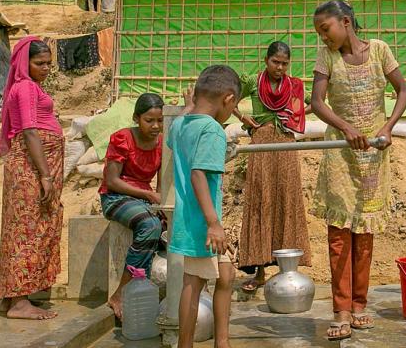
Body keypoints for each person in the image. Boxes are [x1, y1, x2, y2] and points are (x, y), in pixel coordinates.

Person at [311, 0, 406, 340]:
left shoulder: (380, 51)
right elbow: (317, 102)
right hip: (340, 152)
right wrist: (346, 129)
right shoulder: (328, 57)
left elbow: (403, 91)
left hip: (373, 155)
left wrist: (388, 128)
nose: (323, 37)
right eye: (319, 33)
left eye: (326, 30)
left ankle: (359, 304)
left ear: (346, 22)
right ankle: (340, 309)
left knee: (364, 233)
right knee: (339, 233)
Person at [168, 65, 241, 348]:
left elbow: (176, 137)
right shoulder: (212, 130)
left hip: (195, 219)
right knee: (193, 283)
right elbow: (199, 174)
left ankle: (222, 342)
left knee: (226, 274)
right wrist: (213, 223)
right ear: (228, 99)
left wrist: (188, 108)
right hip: (203, 222)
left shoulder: (181, 124)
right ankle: (185, 344)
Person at [235, 41, 312, 292]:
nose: (280, 68)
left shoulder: (294, 85)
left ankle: (287, 273)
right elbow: (228, 96)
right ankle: (259, 273)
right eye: (275, 62)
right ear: (266, 60)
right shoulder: (253, 81)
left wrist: (296, 115)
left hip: (286, 145)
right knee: (261, 199)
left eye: (284, 63)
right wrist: (242, 117)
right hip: (261, 144)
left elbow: (316, 102)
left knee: (286, 199)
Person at [0, 37, 63, 320]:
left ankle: (14, 297)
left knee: (27, 227)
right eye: (40, 63)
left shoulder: (31, 87)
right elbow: (29, 132)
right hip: (31, 169)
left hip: (34, 167)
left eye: (49, 63)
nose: (46, 68)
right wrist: (45, 176)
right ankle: (20, 303)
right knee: (26, 230)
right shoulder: (25, 87)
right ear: (25, 63)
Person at [99, 93, 165, 319]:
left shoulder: (162, 143)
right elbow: (112, 181)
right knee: (150, 225)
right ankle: (121, 293)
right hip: (115, 198)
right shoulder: (122, 139)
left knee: (172, 225)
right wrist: (148, 194)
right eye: (149, 120)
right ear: (137, 118)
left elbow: (164, 180)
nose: (156, 126)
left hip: (143, 199)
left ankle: (155, 293)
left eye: (160, 120)